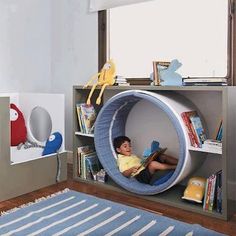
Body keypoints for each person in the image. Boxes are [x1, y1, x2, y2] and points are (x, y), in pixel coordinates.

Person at [113, 136, 178, 184]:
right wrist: (131, 169)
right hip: (141, 176)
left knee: (162, 156)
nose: (128, 148)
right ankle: (176, 167)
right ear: (118, 150)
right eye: (125, 146)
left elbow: (141, 163)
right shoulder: (122, 160)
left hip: (145, 168)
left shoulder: (132, 156)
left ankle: (180, 163)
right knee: (153, 164)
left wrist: (148, 159)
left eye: (129, 146)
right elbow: (124, 174)